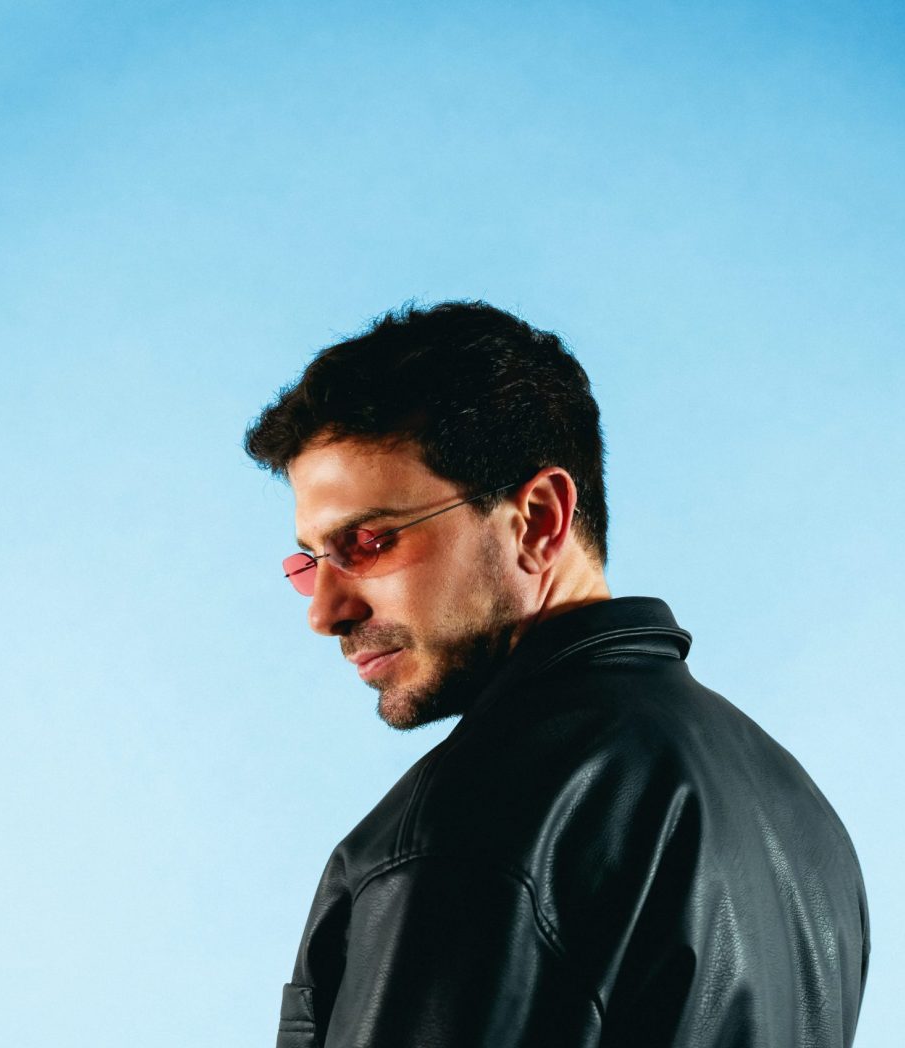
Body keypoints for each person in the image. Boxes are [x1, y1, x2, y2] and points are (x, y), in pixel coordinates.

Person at [244, 301, 871, 1048]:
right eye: (309, 563)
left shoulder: (476, 817)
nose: (325, 612)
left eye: (369, 542)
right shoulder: (792, 807)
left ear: (539, 519)